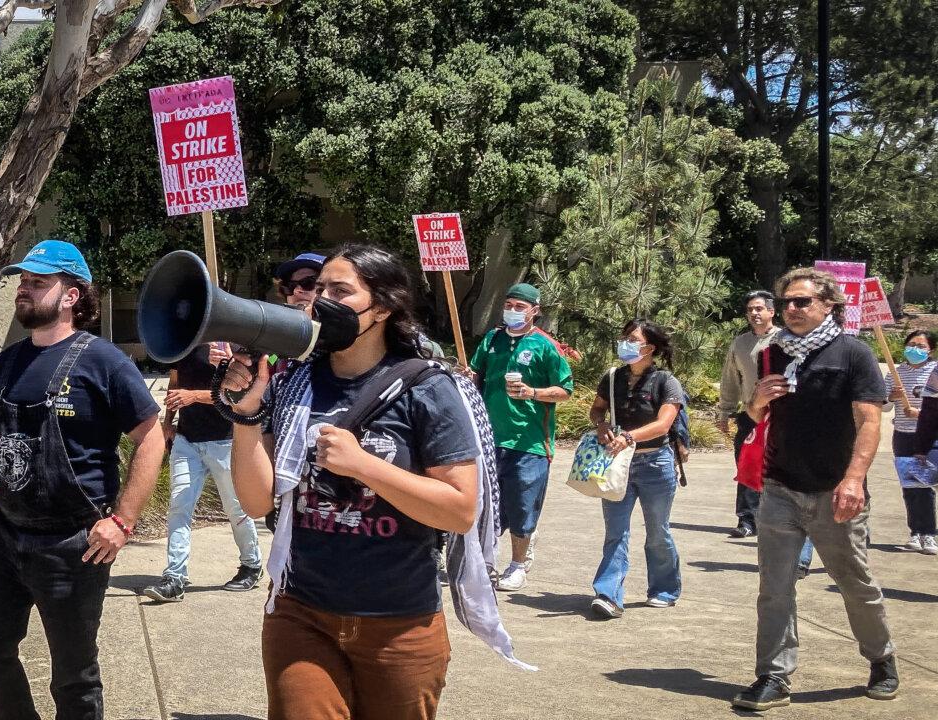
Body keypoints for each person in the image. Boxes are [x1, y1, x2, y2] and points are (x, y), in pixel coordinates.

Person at [221, 244, 481, 720]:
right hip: (301, 614)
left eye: (340, 290)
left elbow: (460, 511)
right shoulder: (294, 382)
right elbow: (258, 501)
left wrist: (363, 465)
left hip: (400, 625)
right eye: (318, 289)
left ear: (382, 307)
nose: (320, 300)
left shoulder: (427, 387)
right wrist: (245, 417)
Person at [0, 239, 164, 720]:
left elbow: (151, 437)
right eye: (23, 281)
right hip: (6, 536)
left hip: (74, 544)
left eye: (37, 283)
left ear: (71, 295)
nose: (24, 290)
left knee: (73, 675)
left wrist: (123, 522)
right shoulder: (8, 360)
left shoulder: (103, 361)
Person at [731, 267, 897, 711]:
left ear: (829, 305)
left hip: (835, 490)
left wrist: (854, 480)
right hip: (781, 486)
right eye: (787, 302)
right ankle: (773, 676)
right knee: (774, 587)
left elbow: (869, 421)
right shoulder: (773, 354)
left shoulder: (853, 354)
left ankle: (881, 658)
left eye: (802, 302)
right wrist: (758, 400)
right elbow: (754, 416)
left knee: (854, 583)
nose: (791, 309)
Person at [466, 283, 574, 591]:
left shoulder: (544, 346)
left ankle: (517, 565)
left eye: (519, 306)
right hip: (488, 438)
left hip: (529, 443)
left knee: (522, 507)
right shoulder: (492, 339)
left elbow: (565, 390)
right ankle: (484, 562)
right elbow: (477, 374)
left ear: (534, 311)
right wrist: (466, 377)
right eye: (509, 304)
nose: (512, 311)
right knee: (484, 507)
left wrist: (533, 392)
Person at [143, 341, 264, 603]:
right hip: (187, 440)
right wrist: (167, 423)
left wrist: (195, 394)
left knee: (236, 508)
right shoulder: (183, 346)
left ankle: (251, 566)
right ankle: (174, 578)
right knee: (179, 507)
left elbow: (238, 396)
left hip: (224, 441)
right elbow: (175, 385)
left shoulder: (233, 348)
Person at [588, 319, 684, 619]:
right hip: (618, 465)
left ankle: (664, 589)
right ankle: (608, 594)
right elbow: (597, 408)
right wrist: (602, 425)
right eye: (624, 338)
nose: (625, 343)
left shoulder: (666, 381)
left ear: (650, 347)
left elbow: (664, 423)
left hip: (655, 463)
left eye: (632, 339)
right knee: (616, 531)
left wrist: (629, 436)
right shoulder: (613, 377)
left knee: (657, 530)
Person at [719, 291, 779, 537]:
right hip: (749, 415)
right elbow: (730, 379)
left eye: (759, 309)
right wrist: (725, 411)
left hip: (780, 416)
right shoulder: (740, 343)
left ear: (771, 312)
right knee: (746, 465)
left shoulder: (786, 339)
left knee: (777, 469)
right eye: (750, 310)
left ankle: (775, 518)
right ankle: (747, 520)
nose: (754, 313)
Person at [884, 330, 938, 554]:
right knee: (910, 485)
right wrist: (892, 397)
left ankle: (930, 534)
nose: (915, 349)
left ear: (930, 350)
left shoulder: (933, 373)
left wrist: (922, 414)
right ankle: (916, 532)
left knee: (925, 485)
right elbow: (884, 406)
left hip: (928, 437)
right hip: (903, 436)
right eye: (911, 344)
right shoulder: (895, 374)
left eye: (921, 346)